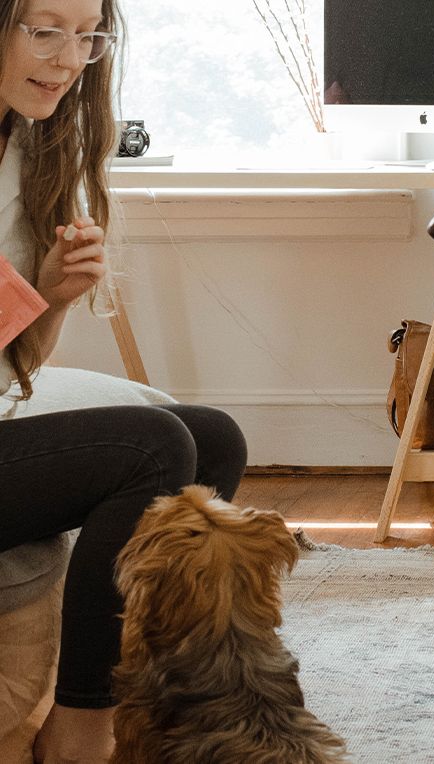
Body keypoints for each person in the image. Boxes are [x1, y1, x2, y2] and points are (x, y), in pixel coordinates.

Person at [0, 1, 248, 761]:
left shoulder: (29, 148)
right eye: (45, 30)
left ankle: (153, 699)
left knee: (210, 441)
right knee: (149, 449)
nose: (72, 59)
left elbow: (20, 365)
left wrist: (52, 294)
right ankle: (82, 727)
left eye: (88, 35)